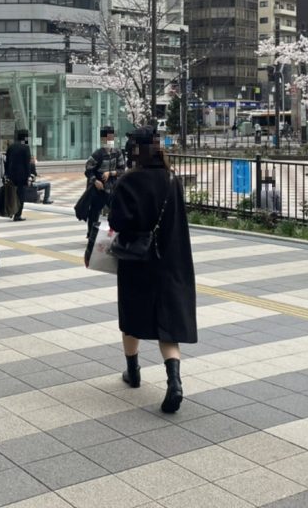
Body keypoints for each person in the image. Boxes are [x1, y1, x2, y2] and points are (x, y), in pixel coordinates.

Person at [107, 126, 197, 414]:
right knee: (166, 324)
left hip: (136, 261)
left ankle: (133, 372)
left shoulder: (128, 181)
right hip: (169, 261)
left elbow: (117, 223)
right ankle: (174, 381)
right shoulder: (172, 180)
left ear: (134, 150)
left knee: (131, 316)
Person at [84, 126, 127, 256]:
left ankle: (113, 234)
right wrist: (94, 180)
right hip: (98, 188)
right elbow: (88, 169)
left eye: (111, 137)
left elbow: (122, 169)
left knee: (115, 210)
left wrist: (111, 173)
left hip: (112, 188)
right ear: (103, 139)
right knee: (94, 212)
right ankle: (91, 234)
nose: (109, 140)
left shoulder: (117, 152)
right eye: (107, 137)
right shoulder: (97, 154)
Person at [4, 129, 34, 222]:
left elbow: (7, 161)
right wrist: (29, 175)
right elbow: (27, 163)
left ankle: (11, 212)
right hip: (22, 176)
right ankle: (18, 215)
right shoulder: (25, 147)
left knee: (12, 194)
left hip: (11, 175)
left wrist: (6, 174)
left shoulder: (11, 147)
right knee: (20, 195)